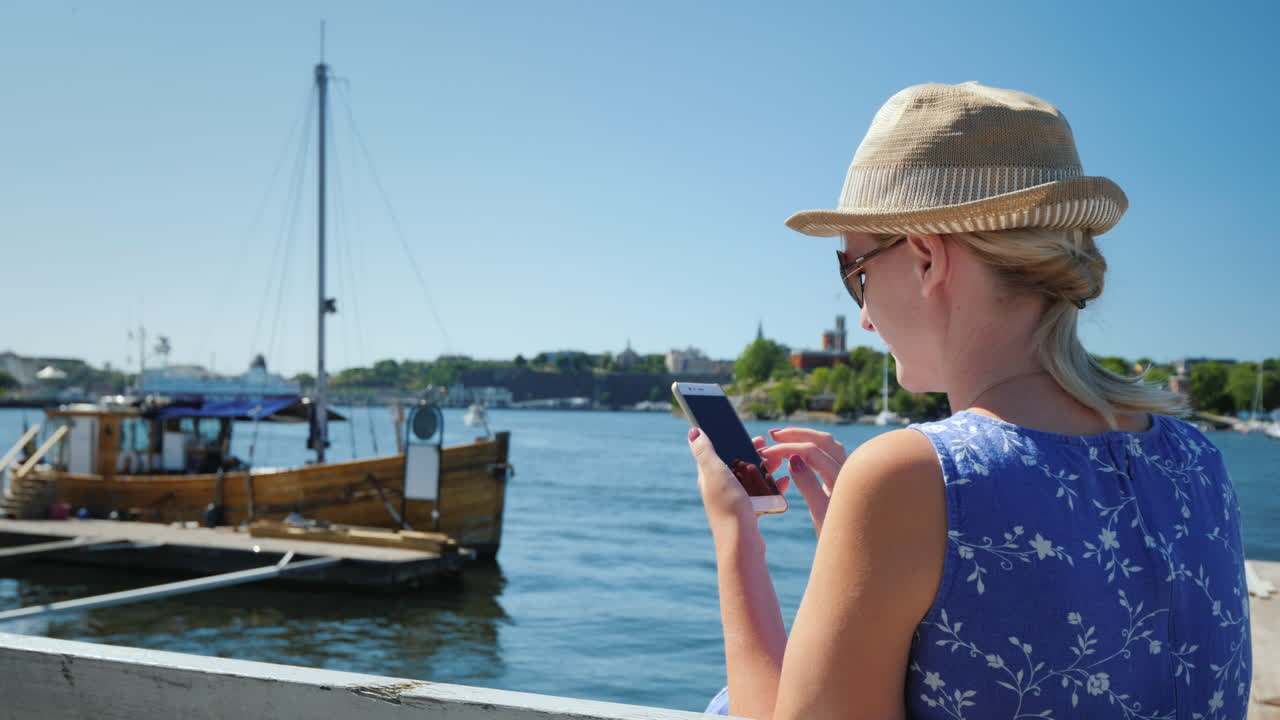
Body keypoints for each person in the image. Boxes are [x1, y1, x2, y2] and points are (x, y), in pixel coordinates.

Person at [687, 82, 1250, 719]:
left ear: (926, 257)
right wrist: (869, 560)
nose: (864, 317)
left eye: (855, 272)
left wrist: (736, 536)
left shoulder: (910, 477)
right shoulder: (1196, 460)